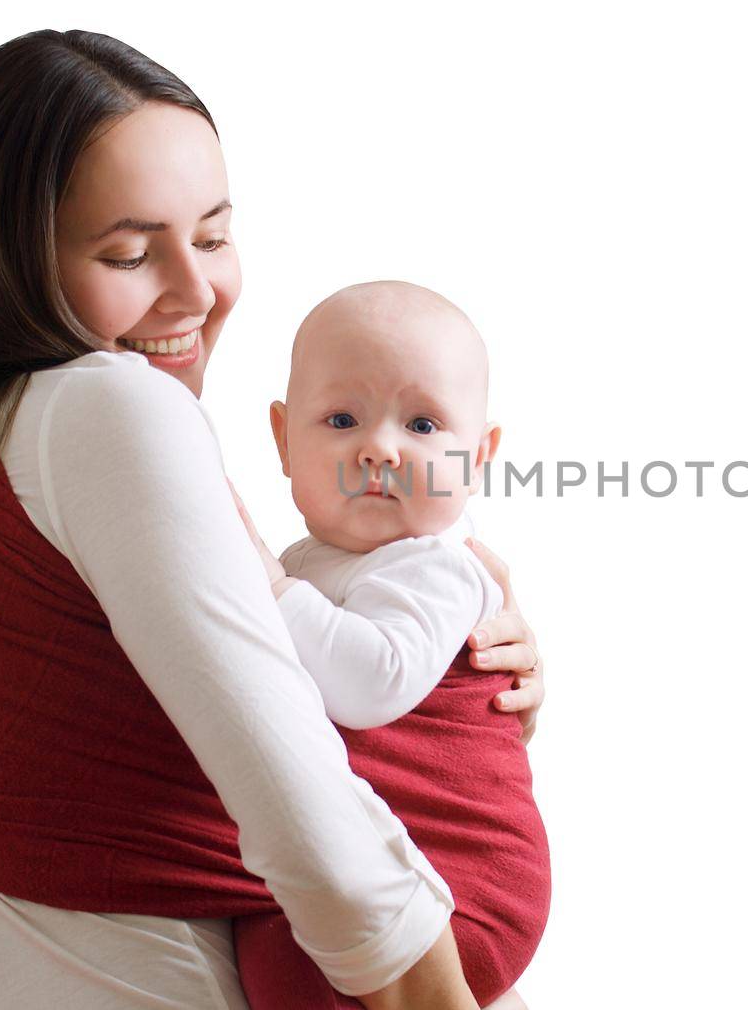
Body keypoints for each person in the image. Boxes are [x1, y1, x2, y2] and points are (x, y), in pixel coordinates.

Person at [0, 29, 545, 1010]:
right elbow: (321, 835)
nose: (196, 291)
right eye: (130, 252)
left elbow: (242, 699)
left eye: (215, 236)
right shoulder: (110, 410)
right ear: (14, 261)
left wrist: (456, 706)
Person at [232, 281, 549, 1009]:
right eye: (342, 418)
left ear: (479, 454)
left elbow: (371, 682)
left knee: (287, 958)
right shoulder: (308, 564)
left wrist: (270, 591)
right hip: (398, 870)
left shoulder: (439, 565)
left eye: (424, 424)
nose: (379, 447)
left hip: (466, 882)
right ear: (283, 440)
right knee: (270, 946)